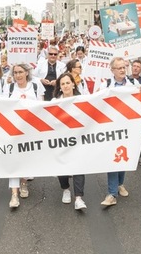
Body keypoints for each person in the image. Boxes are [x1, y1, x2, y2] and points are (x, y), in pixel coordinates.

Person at [94, 57, 141, 206]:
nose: (123, 70)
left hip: (128, 127)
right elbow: (96, 102)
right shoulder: (106, 85)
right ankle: (112, 194)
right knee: (112, 159)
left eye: (124, 67)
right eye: (119, 68)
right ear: (112, 70)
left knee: (123, 156)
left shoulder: (134, 84)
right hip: (110, 128)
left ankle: (120, 183)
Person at [7, 63, 43, 208]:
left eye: (20, 72)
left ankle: (24, 183)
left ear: (27, 73)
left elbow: (41, 106)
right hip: (13, 130)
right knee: (13, 160)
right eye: (15, 72)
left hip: (30, 130)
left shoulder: (35, 86)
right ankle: (14, 195)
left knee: (26, 158)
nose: (18, 75)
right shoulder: (9, 87)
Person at [52, 72, 87, 211]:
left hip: (78, 139)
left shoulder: (82, 100)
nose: (66, 86)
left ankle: (78, 198)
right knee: (62, 167)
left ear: (73, 83)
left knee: (79, 166)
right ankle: (65, 188)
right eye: (63, 84)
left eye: (68, 82)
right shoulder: (54, 102)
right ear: (60, 87)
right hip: (61, 141)